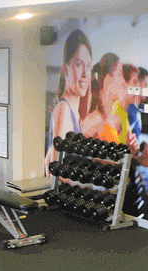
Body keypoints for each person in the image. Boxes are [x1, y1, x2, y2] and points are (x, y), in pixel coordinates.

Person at [45, 29, 92, 175]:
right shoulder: (64, 109)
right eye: (79, 64)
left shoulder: (74, 111)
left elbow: (48, 159)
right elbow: (55, 169)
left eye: (88, 66)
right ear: (66, 69)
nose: (85, 73)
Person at [81, 53, 123, 143]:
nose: (122, 81)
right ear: (108, 79)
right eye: (119, 75)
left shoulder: (110, 119)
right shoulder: (96, 119)